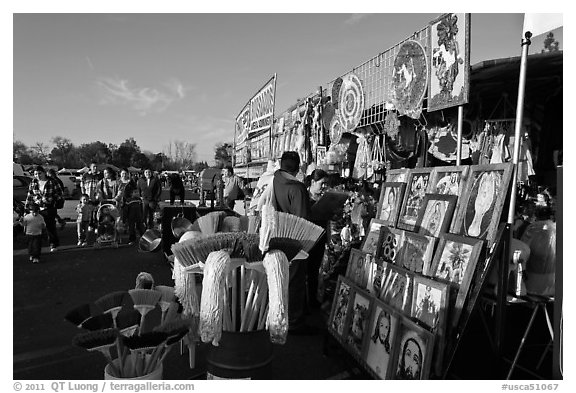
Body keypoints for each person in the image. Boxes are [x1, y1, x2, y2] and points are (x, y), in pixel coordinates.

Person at [271, 151, 312, 333]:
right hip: (297, 240)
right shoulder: (297, 188)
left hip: (280, 236)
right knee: (295, 282)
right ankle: (294, 322)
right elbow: (303, 220)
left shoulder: (276, 180)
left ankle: (282, 317)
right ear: (297, 167)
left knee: (283, 280)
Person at [25, 165, 63, 252]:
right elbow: (30, 196)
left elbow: (59, 193)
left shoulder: (52, 182)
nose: (38, 175)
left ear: (44, 173)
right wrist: (27, 209)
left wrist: (51, 199)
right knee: (37, 226)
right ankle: (37, 246)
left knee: (50, 226)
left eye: (39, 173)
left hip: (49, 207)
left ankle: (53, 244)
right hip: (37, 207)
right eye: (35, 174)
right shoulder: (33, 182)